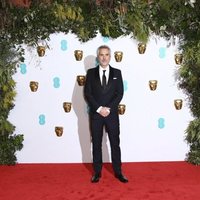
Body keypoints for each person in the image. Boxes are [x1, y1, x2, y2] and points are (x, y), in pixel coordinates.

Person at [84, 45, 128, 183]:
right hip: (96, 115)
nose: (104, 57)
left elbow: (119, 93)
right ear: (98, 57)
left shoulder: (117, 72)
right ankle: (97, 172)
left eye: (107, 55)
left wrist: (108, 108)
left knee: (115, 143)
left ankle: (118, 172)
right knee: (96, 143)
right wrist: (98, 109)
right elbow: (88, 94)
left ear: (110, 56)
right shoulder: (90, 73)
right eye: (101, 55)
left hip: (112, 114)